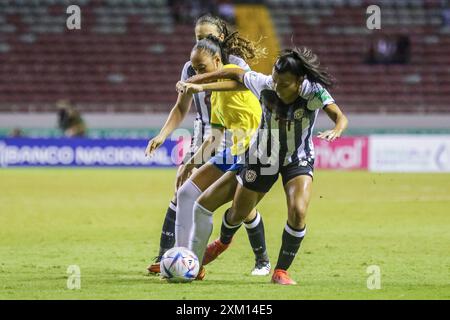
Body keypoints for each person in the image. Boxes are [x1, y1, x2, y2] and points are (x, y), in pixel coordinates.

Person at [178, 46, 348, 285]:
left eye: (284, 83)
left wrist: (337, 129)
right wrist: (197, 80)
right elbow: (234, 73)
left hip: (296, 159)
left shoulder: (314, 92)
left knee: (298, 211)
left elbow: (339, 116)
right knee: (238, 213)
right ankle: (223, 242)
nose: (276, 87)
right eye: (276, 80)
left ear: (299, 81)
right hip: (261, 157)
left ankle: (280, 271)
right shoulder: (265, 83)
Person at [145, 14, 270, 277]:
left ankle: (261, 260)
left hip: (256, 149)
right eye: (198, 38)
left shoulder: (236, 69)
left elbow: (233, 80)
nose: (202, 41)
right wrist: (188, 162)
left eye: (207, 37)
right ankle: (183, 260)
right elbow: (214, 134)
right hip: (231, 147)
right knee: (186, 193)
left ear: (218, 46)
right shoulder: (204, 83)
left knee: (240, 209)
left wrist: (198, 84)